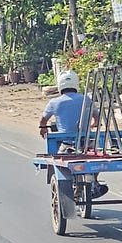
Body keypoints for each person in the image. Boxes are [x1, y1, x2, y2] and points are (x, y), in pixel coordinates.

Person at [40, 70, 107, 198]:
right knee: (97, 157)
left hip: (67, 144)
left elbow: (43, 120)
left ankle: (71, 185)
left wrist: (43, 128)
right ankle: (94, 182)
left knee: (60, 164)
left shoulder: (54, 102)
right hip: (87, 142)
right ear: (76, 83)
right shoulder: (86, 99)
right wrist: (93, 124)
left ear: (60, 85)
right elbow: (97, 118)